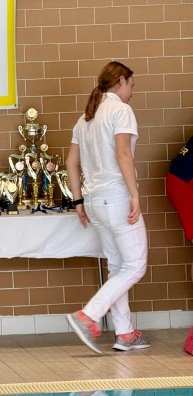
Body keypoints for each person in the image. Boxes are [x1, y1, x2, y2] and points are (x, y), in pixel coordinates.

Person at [65, 61, 149, 353]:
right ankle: (89, 315)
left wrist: (78, 201)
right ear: (121, 81)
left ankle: (124, 333)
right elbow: (123, 154)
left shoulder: (85, 118)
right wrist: (135, 195)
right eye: (131, 86)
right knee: (135, 266)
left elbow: (71, 163)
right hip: (116, 198)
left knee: (117, 267)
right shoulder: (120, 111)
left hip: (93, 201)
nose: (132, 92)